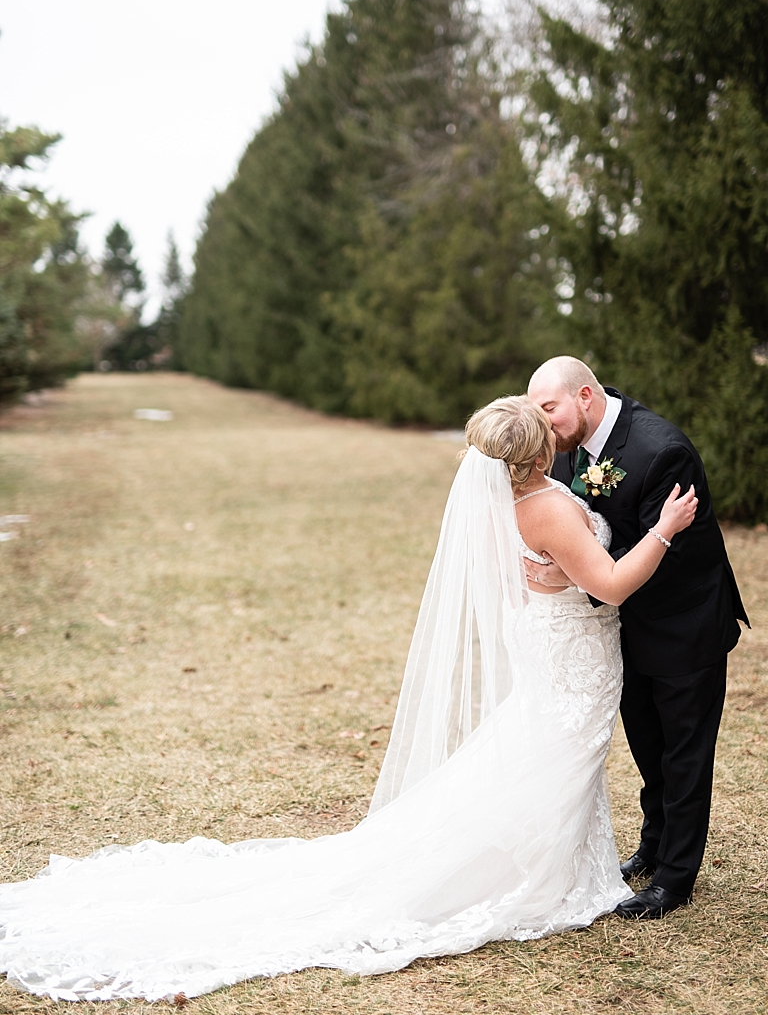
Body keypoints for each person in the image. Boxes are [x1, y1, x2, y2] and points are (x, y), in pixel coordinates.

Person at [0, 395, 697, 1002]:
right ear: (539, 452)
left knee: (538, 754)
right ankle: (535, 873)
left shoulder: (507, 502)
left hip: (552, 640)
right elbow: (609, 585)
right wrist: (663, 529)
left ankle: (557, 858)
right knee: (552, 756)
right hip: (571, 654)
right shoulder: (547, 508)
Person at [525, 357, 747, 920]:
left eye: (548, 408)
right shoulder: (568, 444)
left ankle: (675, 878)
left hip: (683, 626)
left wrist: (579, 574)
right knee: (648, 747)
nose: (543, 423)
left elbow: (672, 552)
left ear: (584, 395)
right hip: (622, 626)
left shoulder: (662, 450)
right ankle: (652, 847)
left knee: (684, 756)